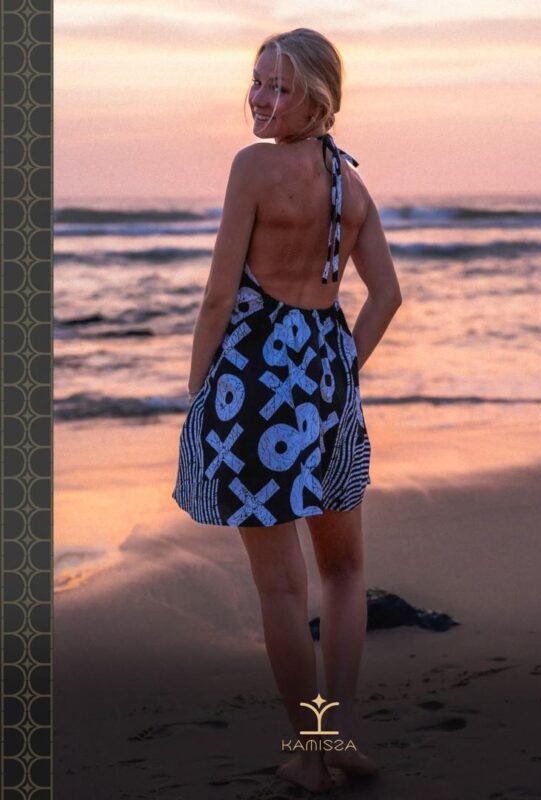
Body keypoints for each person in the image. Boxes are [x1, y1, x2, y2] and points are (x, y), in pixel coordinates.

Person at [172, 27, 402, 793]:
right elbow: (386, 296)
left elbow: (217, 296)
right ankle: (340, 736)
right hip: (325, 386)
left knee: (280, 587)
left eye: (282, 87)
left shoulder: (253, 167)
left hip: (250, 390)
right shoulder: (350, 186)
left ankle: (309, 751)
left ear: (317, 98)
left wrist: (198, 391)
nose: (263, 99)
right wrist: (338, 372)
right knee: (345, 571)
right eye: (258, 80)